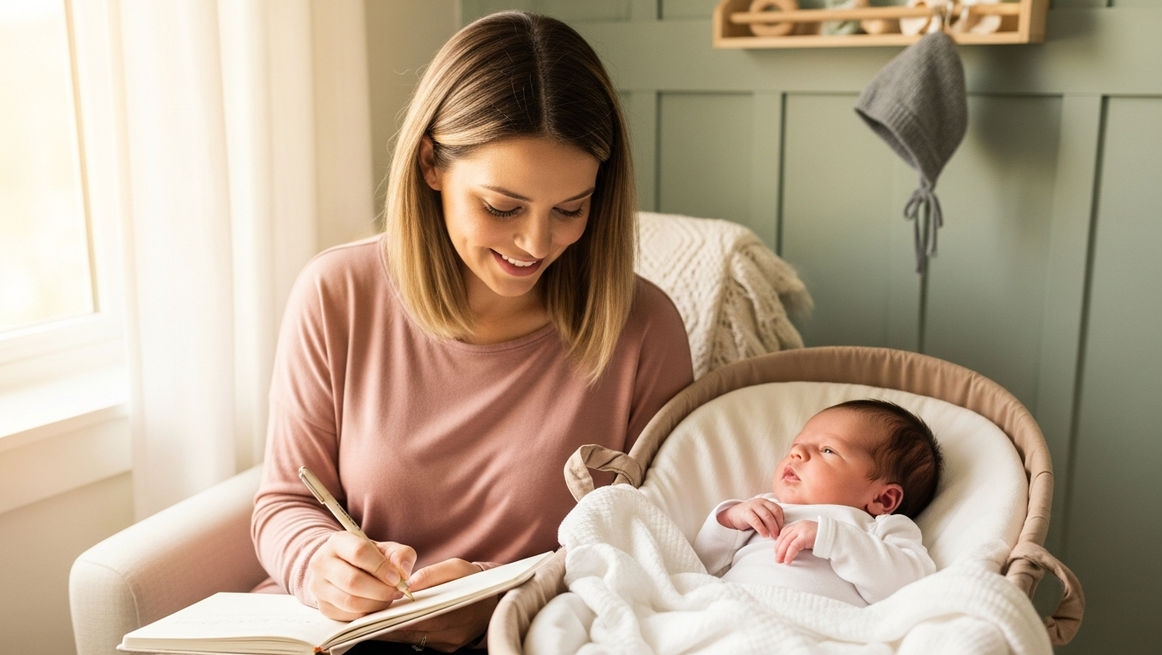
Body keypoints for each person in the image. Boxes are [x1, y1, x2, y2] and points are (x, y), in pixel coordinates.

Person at [251, 11, 694, 652]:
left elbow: (661, 541)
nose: (536, 243)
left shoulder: (643, 329)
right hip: (341, 638)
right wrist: (320, 564)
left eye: (570, 209)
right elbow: (285, 501)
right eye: (502, 207)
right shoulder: (336, 294)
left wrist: (501, 595)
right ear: (431, 162)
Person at [692, 399, 943, 607]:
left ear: (882, 498)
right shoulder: (764, 507)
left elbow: (908, 585)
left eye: (827, 450)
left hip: (814, 623)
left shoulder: (879, 529)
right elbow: (703, 563)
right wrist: (729, 520)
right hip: (731, 607)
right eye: (796, 445)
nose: (796, 453)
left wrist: (832, 538)